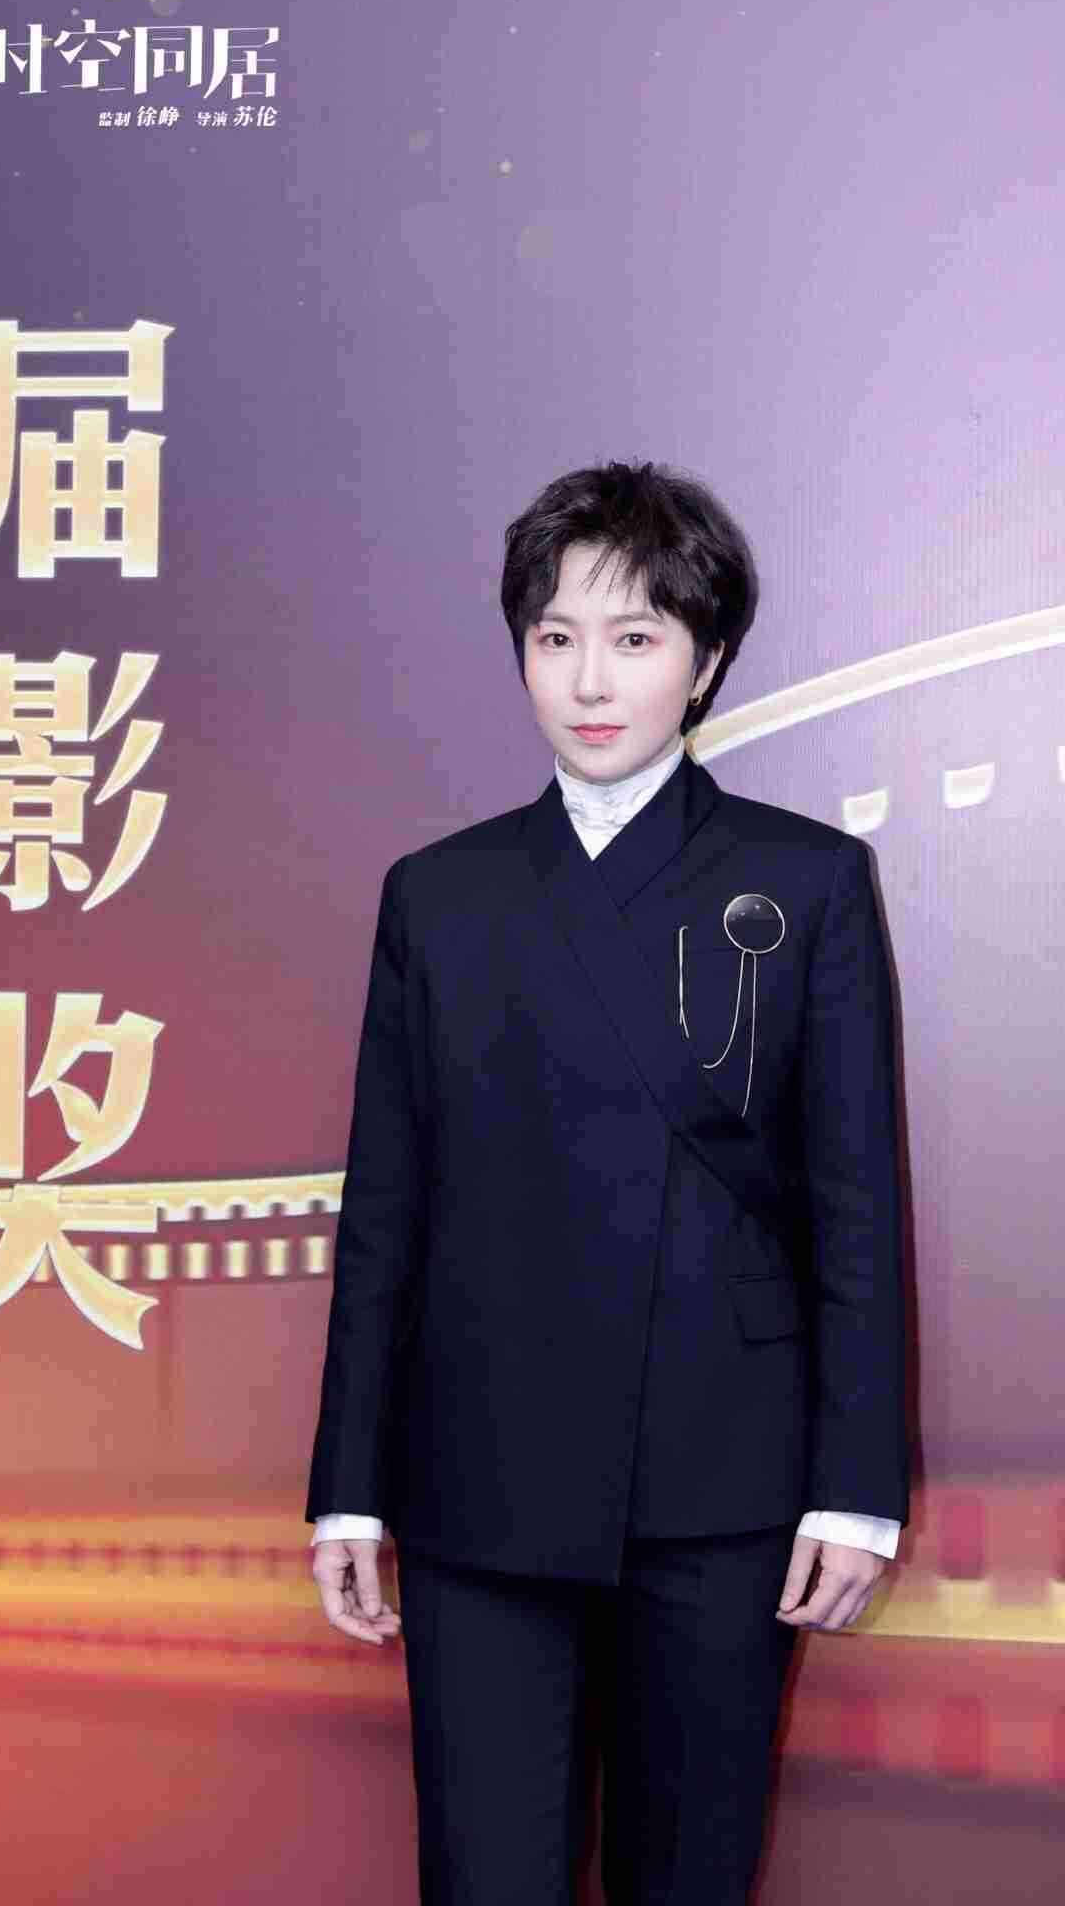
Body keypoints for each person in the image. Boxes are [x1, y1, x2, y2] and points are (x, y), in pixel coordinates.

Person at [305, 460, 910, 1905]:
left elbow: (855, 1208)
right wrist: (348, 1491)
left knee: (688, 1877)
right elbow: (385, 1213)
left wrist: (857, 1491)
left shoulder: (808, 880)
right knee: (483, 1876)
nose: (590, 679)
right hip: (480, 1478)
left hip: (722, 1477)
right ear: (519, 651)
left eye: (636, 637)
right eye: (555, 636)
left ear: (706, 661)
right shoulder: (439, 895)